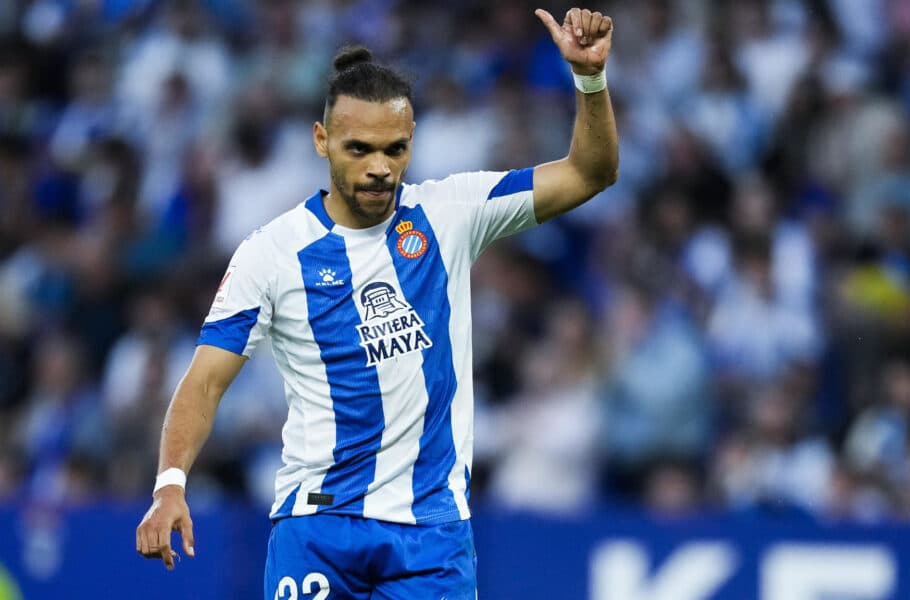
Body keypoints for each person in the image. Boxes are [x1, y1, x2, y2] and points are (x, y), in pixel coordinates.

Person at [135, 7, 617, 599]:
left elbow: (590, 172)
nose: (379, 168)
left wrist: (589, 81)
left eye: (394, 150)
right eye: (359, 148)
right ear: (322, 141)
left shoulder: (450, 212)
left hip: (431, 536)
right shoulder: (273, 253)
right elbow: (205, 381)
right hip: (318, 527)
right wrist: (171, 484)